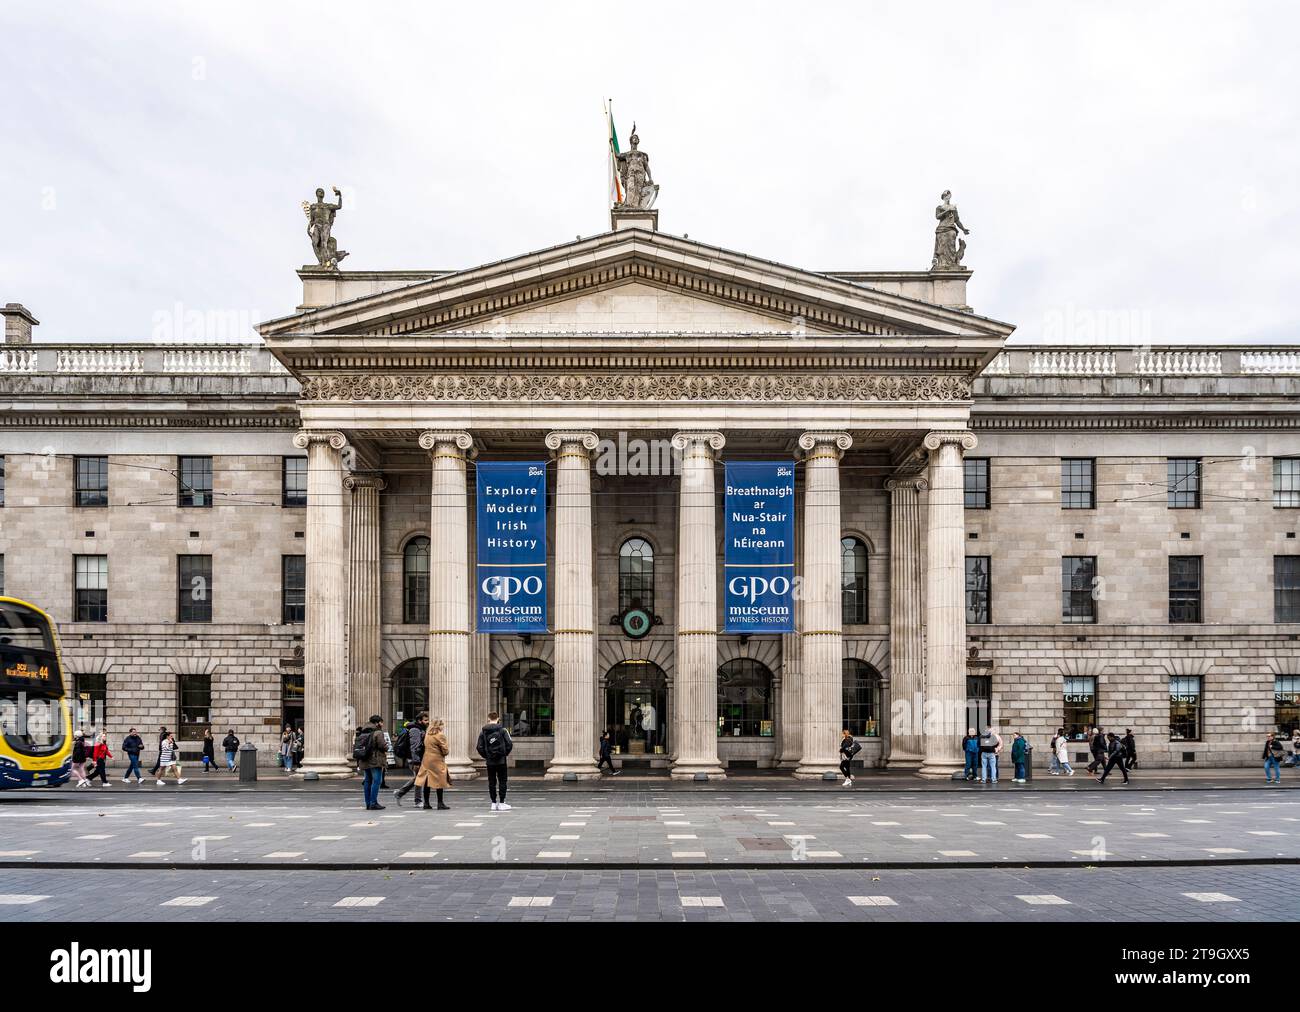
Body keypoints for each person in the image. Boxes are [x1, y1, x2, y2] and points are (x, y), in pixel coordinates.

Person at [476, 712, 513, 811]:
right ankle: (501, 803)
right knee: (502, 781)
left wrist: (487, 755)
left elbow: (479, 747)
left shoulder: (483, 732)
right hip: (501, 761)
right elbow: (509, 743)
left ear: (488, 718)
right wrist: (504, 754)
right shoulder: (503, 730)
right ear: (498, 718)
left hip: (490, 762)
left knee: (491, 782)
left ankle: (493, 802)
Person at [414, 717, 451, 811]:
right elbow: (445, 750)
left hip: (426, 760)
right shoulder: (440, 735)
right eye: (442, 725)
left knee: (427, 781)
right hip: (437, 760)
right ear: (439, 725)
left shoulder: (427, 734)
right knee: (439, 781)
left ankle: (426, 803)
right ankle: (440, 803)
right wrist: (445, 751)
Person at [393, 713, 429, 807]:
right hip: (414, 759)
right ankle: (417, 800)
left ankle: (400, 793)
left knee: (418, 778)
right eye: (425, 720)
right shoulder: (415, 730)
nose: (427, 722)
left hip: (418, 758)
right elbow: (415, 747)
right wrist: (416, 761)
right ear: (419, 720)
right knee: (419, 778)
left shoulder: (420, 729)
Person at [354, 715, 388, 810]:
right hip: (375, 760)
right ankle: (373, 802)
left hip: (364, 759)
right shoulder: (378, 732)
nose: (382, 724)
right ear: (377, 723)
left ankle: (368, 803)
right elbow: (382, 745)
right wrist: (387, 747)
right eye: (381, 722)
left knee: (367, 781)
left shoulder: (362, 731)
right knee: (377, 781)